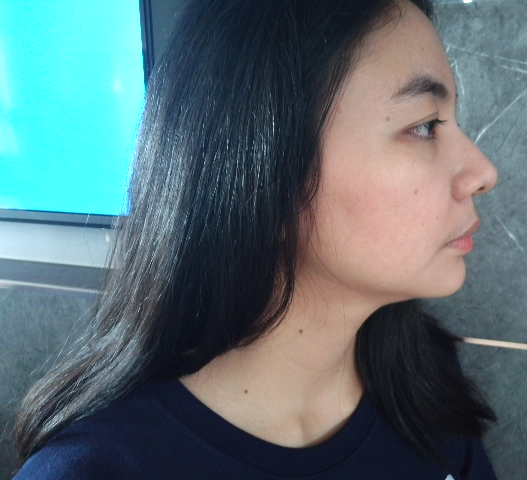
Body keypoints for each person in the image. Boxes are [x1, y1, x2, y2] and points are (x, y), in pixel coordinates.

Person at [13, 0, 499, 478]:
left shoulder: (425, 382)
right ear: (265, 173)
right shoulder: (97, 469)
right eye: (423, 126)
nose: (482, 172)